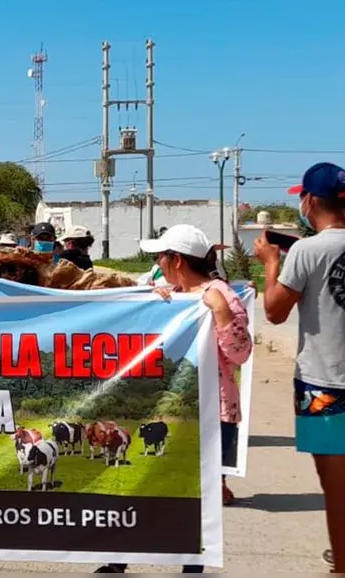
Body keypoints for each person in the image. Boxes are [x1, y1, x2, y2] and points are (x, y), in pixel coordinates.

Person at [96, 224, 252, 574]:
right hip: (163, 409)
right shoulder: (173, 294)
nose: (158, 263)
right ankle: (119, 558)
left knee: (195, 495)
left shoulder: (220, 295)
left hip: (210, 413)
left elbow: (240, 353)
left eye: (160, 257)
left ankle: (190, 563)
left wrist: (221, 313)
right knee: (140, 481)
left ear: (176, 259)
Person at [255, 162, 345, 573]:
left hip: (323, 383)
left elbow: (274, 311)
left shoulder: (308, 250)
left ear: (309, 200)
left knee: (336, 486)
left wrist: (272, 263)